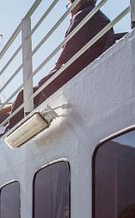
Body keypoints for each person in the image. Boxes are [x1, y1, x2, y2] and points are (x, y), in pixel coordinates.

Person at [9, 0, 115, 128]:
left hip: (77, 70)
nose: (70, 9)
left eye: (69, 4)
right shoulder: (98, 15)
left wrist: (56, 67)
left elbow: (70, 48)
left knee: (33, 90)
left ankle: (13, 131)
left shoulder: (82, 14)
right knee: (34, 91)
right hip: (87, 66)